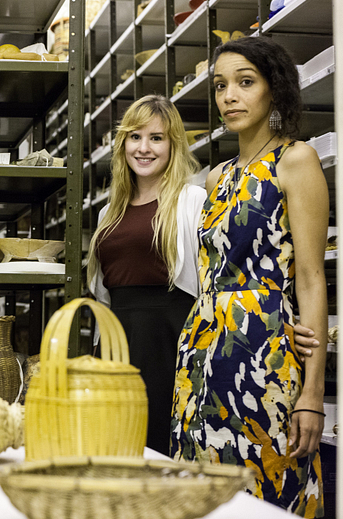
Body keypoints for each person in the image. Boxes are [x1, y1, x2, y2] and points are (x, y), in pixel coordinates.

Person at [170, 36, 327, 517]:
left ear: (274, 91)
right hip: (200, 355)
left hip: (262, 357)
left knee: (269, 488)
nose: (229, 97)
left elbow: (311, 277)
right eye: (220, 86)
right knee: (200, 494)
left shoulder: (295, 161)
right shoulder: (216, 177)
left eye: (245, 83)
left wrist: (314, 393)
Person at [86, 95, 207, 454]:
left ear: (173, 146)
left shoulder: (192, 200)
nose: (144, 148)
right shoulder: (109, 210)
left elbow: (209, 279)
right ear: (123, 143)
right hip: (115, 338)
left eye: (157, 138)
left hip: (167, 339)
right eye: (135, 137)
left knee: (156, 445)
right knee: (111, 443)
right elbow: (104, 290)